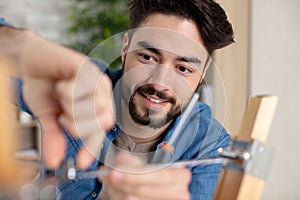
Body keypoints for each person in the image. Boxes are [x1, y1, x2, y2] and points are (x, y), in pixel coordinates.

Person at [0, 0, 234, 199]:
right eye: (147, 57)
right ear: (125, 48)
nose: (159, 83)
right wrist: (15, 46)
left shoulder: (209, 144)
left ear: (202, 72)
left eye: (183, 68)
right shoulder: (76, 87)